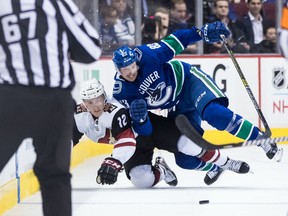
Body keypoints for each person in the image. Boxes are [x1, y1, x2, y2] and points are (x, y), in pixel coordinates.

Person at [111, 21, 282, 176]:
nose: (131, 71)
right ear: (118, 70)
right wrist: (140, 119)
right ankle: (217, 168)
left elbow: (176, 40)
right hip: (177, 106)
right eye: (126, 69)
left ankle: (262, 140)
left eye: (132, 66)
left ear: (135, 61)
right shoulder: (122, 92)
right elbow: (146, 131)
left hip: (189, 83)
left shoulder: (147, 55)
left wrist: (201, 32)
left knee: (215, 115)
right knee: (184, 159)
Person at [0, 0, 101, 216]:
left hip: (8, 99)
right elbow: (90, 50)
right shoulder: (54, 3)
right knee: (54, 177)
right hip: (52, 101)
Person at [73, 79, 178, 188]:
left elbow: (126, 139)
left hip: (147, 130)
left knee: (184, 145)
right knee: (143, 181)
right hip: (134, 145)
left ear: (104, 96)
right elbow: (67, 140)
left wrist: (114, 161)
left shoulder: (115, 111)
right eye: (90, 102)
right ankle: (162, 170)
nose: (96, 106)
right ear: (84, 103)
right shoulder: (78, 115)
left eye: (98, 99)